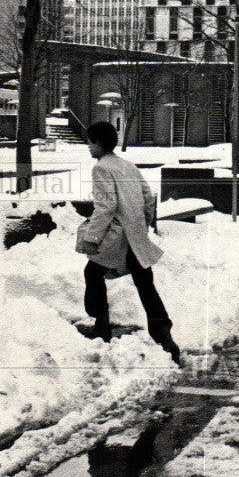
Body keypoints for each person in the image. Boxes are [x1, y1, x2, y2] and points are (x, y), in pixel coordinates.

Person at [79, 121, 180, 364]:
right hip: (135, 236)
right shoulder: (127, 165)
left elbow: (106, 206)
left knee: (92, 272)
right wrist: (141, 226)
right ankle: (165, 338)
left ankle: (101, 326)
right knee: (145, 284)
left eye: (90, 142)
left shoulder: (101, 168)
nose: (88, 147)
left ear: (99, 143)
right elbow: (148, 198)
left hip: (118, 239)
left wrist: (92, 238)